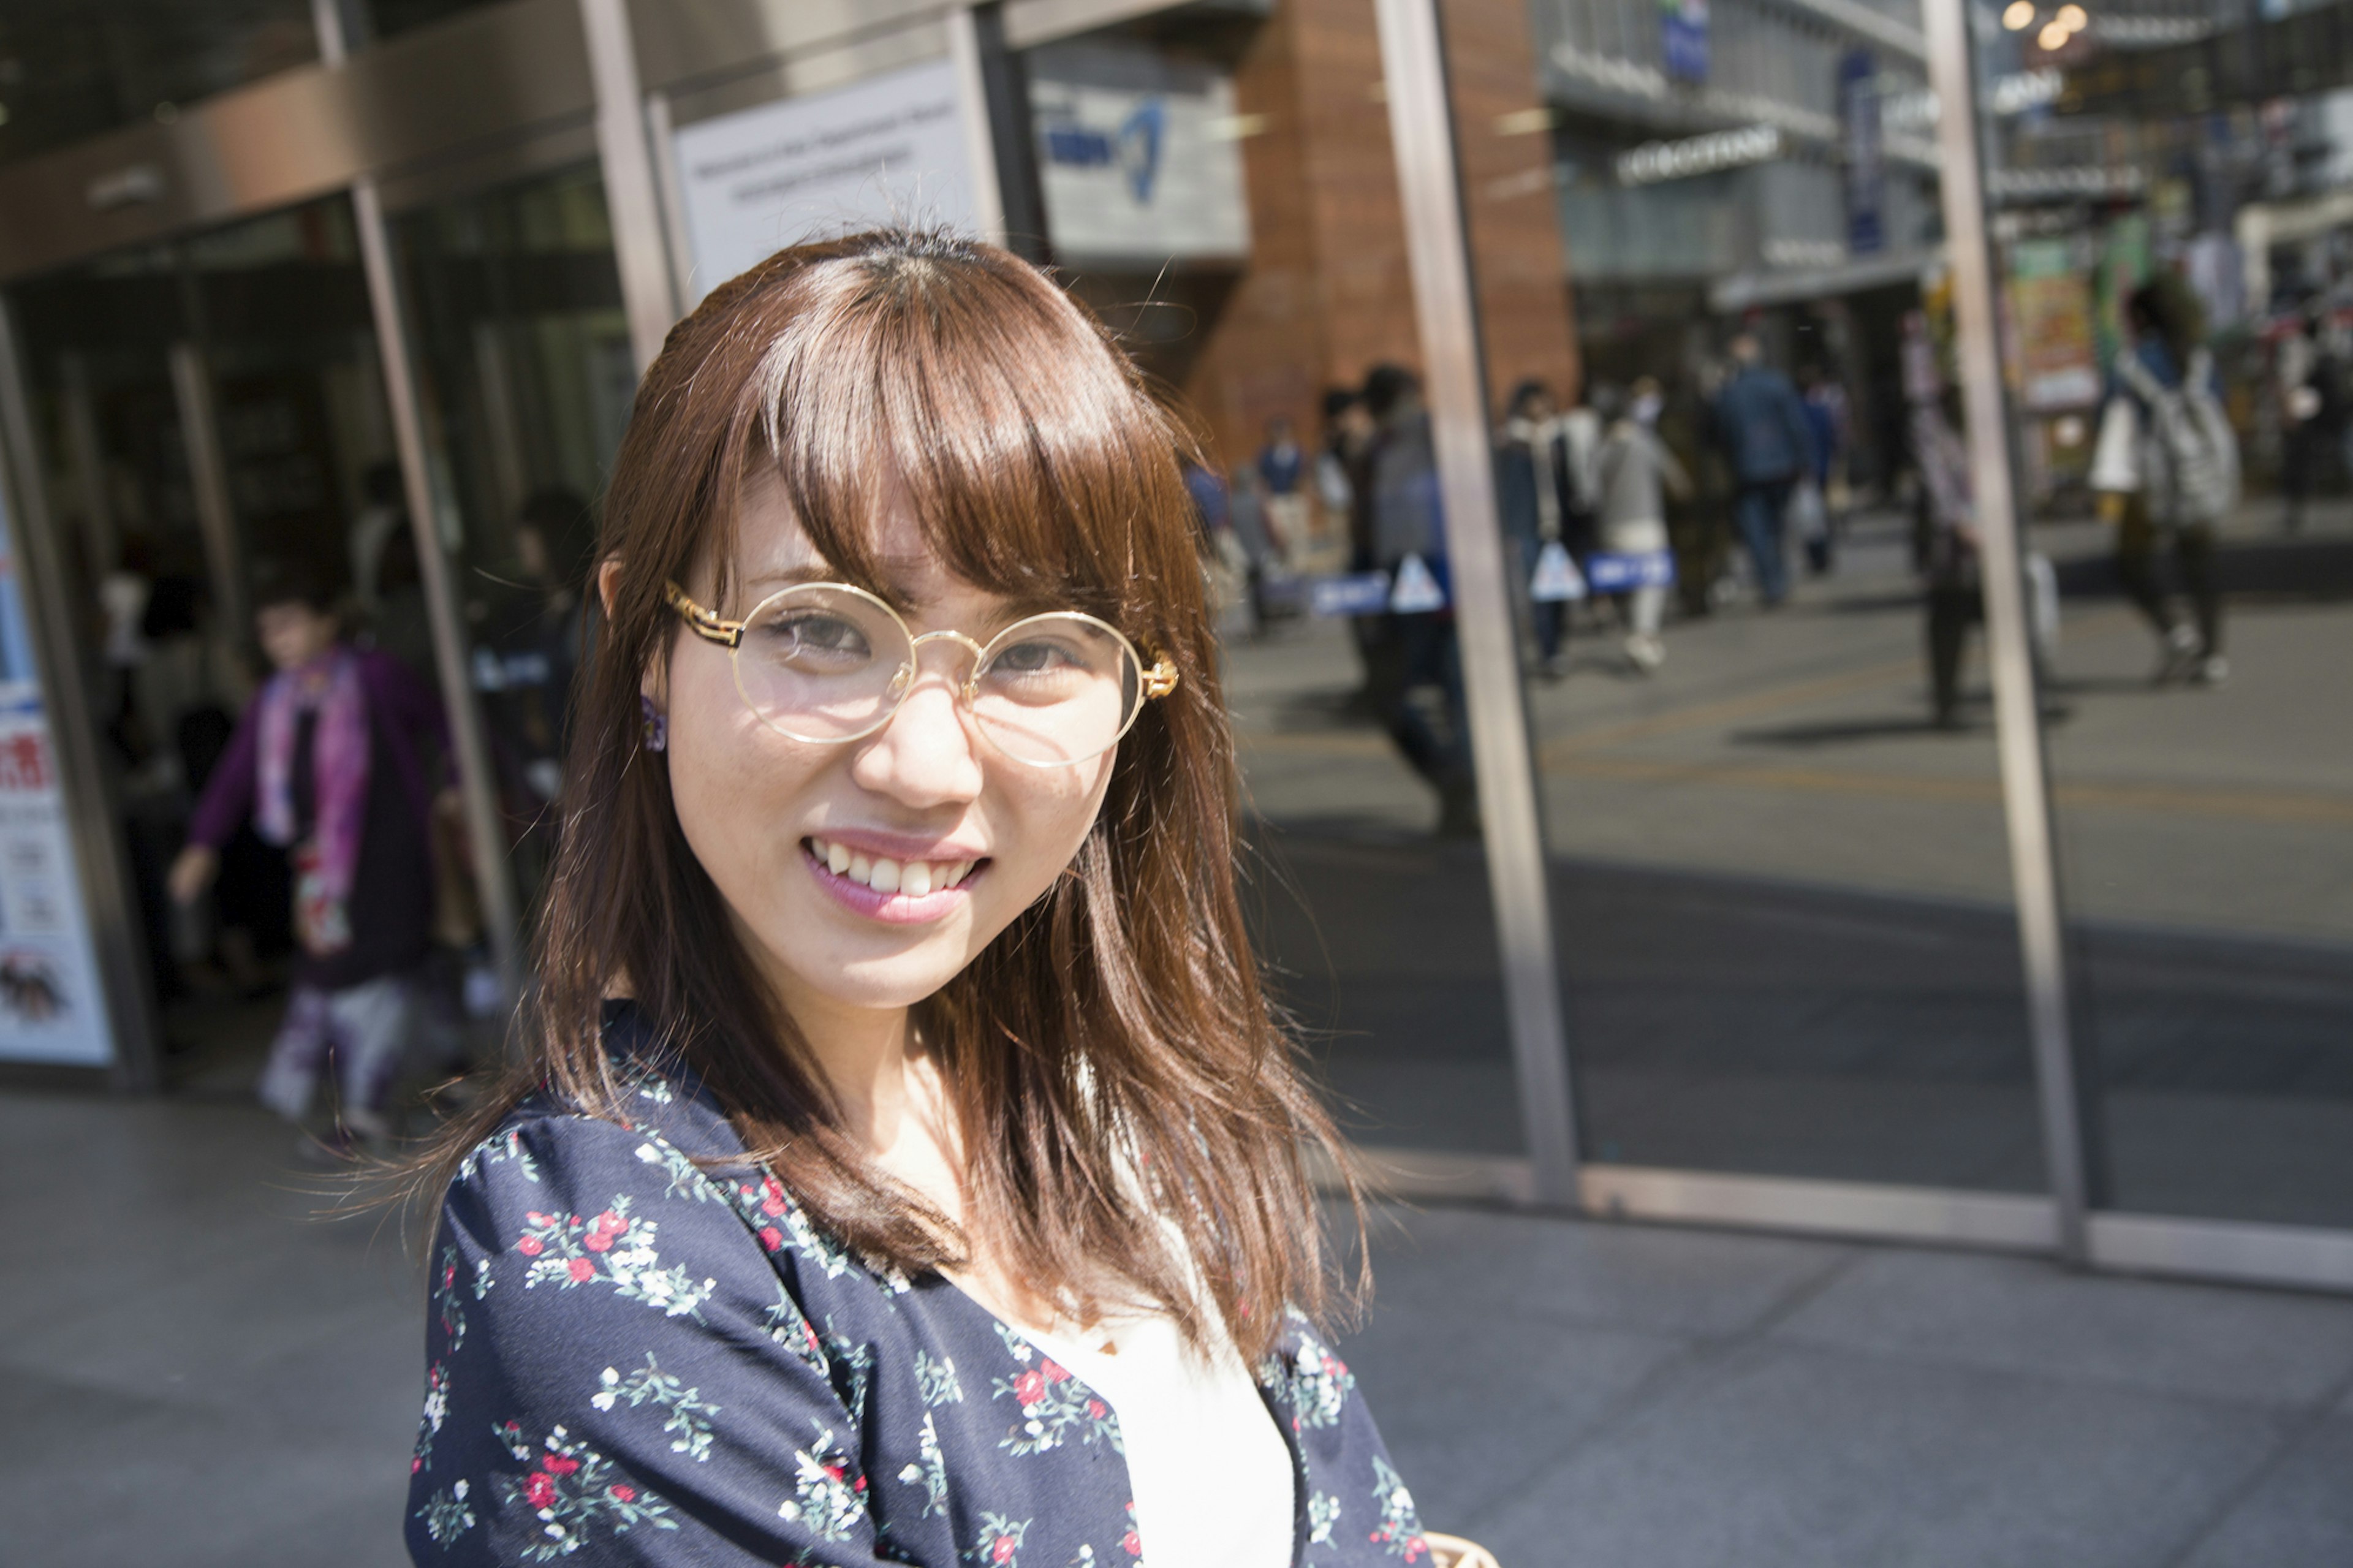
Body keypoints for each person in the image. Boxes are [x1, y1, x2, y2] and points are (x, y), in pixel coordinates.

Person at [398, 230, 1426, 1567]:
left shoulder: (1084, 1079)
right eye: (821, 626)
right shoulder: (603, 1255)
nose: (928, 765)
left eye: (1041, 648)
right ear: (645, 641)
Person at [169, 562, 452, 1146]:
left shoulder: (376, 676)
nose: (281, 641)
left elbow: (450, 728)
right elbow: (234, 777)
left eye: (290, 625)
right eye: (270, 631)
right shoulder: (275, 701)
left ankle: (366, 1107)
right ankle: (455, 1069)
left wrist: (460, 786)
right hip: (321, 869)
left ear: (328, 622)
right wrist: (202, 844)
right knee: (386, 968)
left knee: (377, 970)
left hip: (390, 855)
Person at [2091, 278, 2237, 685]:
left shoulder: (2132, 364)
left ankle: (2176, 632)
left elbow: (2107, 418)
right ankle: (2212, 656)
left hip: (2148, 481)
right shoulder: (2199, 360)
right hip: (2198, 476)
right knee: (2201, 566)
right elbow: (2221, 405)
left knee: (2131, 562)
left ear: (2139, 318)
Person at [1593, 377, 1691, 673]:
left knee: (1631, 581)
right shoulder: (1644, 440)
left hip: (1612, 526)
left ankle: (1636, 629)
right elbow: (1676, 477)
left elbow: (1590, 486)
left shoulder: (1604, 445)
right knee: (1652, 581)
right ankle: (1643, 634)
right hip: (1646, 521)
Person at [1711, 331, 1816, 607]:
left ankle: (1772, 584)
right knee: (1778, 527)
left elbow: (1720, 435)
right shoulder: (1777, 384)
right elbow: (1796, 425)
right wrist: (1806, 461)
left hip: (1747, 470)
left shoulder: (1729, 394)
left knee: (1757, 531)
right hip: (1781, 467)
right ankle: (1778, 580)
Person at [1493, 377, 1569, 670]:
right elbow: (1508, 490)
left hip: (1559, 524)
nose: (1539, 407)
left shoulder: (1558, 437)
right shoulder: (1512, 442)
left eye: (1543, 400)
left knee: (1561, 590)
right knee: (1539, 589)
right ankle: (1548, 650)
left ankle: (1558, 643)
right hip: (1527, 526)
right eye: (1533, 401)